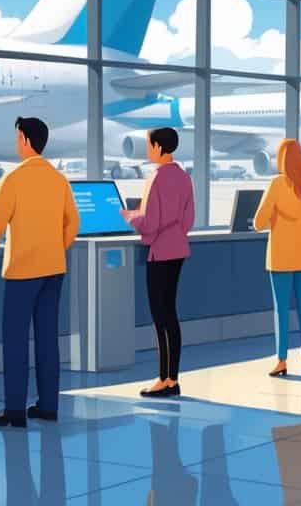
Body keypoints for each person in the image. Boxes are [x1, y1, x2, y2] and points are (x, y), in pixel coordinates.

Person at [0, 117, 79, 427]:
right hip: (54, 270)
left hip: (23, 271)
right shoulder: (58, 179)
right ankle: (49, 406)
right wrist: (54, 247)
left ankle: (14, 411)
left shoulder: (14, 179)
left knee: (16, 341)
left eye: (16, 136)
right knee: (48, 339)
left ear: (24, 139)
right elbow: (73, 223)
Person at [121, 127, 194, 397]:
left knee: (159, 317)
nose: (148, 150)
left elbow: (149, 223)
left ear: (160, 147)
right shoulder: (185, 178)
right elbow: (188, 220)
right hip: (178, 250)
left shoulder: (156, 178)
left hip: (160, 252)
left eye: (150, 145)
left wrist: (129, 216)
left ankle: (165, 379)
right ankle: (172, 377)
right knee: (171, 315)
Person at [254, 139, 301, 377]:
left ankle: (282, 361)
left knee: (281, 311)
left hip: (281, 258)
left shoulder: (276, 184)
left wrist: (274, 218)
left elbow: (258, 222)